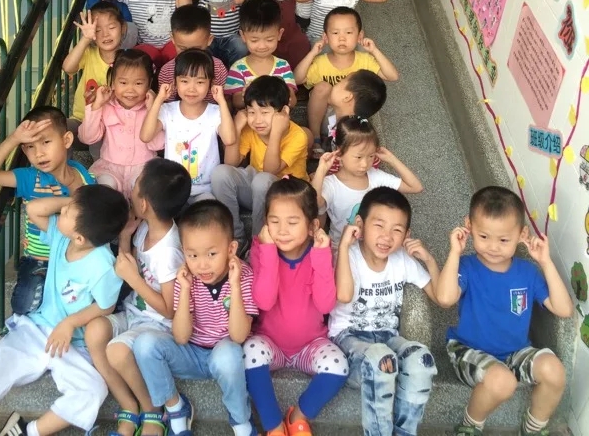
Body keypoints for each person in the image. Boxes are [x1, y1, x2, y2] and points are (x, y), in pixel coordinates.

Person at [0, 185, 129, 436]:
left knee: (93, 390)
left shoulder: (102, 264)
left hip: (74, 344)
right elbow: (34, 209)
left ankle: (29, 431)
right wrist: (75, 202)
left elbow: (106, 306)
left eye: (67, 212)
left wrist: (70, 323)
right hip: (37, 329)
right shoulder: (61, 236)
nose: (62, 211)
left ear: (79, 238)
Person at [436, 186, 573, 436]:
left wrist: (545, 262)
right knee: (503, 381)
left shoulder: (527, 272)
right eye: (484, 236)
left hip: (515, 352)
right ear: (469, 226)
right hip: (468, 350)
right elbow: (444, 299)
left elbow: (563, 310)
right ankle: (469, 427)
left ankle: (532, 429)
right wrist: (454, 252)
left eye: (503, 240)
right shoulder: (466, 266)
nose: (493, 247)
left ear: (522, 234)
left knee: (554, 371)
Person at [132, 201, 259, 436]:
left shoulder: (244, 276)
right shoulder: (187, 278)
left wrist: (234, 286)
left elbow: (238, 335)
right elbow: (181, 337)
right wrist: (185, 289)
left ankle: (241, 422)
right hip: (190, 354)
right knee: (144, 344)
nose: (202, 264)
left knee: (228, 354)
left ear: (231, 249)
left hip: (225, 355)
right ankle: (176, 409)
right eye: (192, 255)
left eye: (212, 254)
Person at [84, 160, 191, 436]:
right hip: (135, 314)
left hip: (157, 326)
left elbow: (169, 309)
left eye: (136, 184)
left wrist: (133, 280)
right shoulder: (144, 228)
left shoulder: (169, 251)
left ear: (143, 204)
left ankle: (153, 410)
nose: (130, 188)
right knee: (94, 331)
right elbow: (129, 264)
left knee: (116, 351)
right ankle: (128, 404)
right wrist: (124, 237)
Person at [330, 187, 441, 436]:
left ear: (406, 235)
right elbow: (344, 295)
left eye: (397, 230)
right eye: (379, 225)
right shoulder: (347, 255)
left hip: (388, 338)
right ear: (360, 225)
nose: (386, 237)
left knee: (421, 360)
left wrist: (429, 260)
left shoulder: (402, 260)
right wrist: (344, 246)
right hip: (349, 342)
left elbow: (440, 297)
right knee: (382, 359)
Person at [244, 178, 349, 436]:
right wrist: (268, 252)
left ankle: (297, 417)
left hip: (310, 345)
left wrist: (321, 256)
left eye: (292, 222)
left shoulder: (321, 253)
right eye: (274, 221)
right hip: (270, 343)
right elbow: (263, 301)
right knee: (248, 352)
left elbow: (326, 303)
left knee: (339, 366)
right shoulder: (261, 250)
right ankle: (273, 426)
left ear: (313, 226)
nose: (282, 230)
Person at [0, 107, 93, 316]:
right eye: (30, 146)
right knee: (24, 305)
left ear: (66, 140)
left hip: (76, 257)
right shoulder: (30, 178)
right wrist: (14, 138)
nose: (39, 153)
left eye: (46, 142)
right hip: (40, 260)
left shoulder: (82, 173)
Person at [211, 76, 309, 247]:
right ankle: (236, 238)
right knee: (220, 173)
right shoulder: (251, 130)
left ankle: (259, 243)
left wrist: (276, 132)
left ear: (284, 112)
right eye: (251, 112)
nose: (257, 120)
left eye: (264, 113)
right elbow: (230, 163)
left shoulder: (298, 135)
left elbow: (270, 170)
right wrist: (237, 128)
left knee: (262, 179)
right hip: (257, 190)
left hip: (287, 197)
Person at [141, 49, 238, 201]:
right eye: (184, 81)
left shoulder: (216, 112)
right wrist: (159, 99)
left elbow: (229, 139)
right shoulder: (167, 110)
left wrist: (221, 101)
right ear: (175, 82)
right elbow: (146, 136)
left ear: (211, 83)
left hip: (206, 189)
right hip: (173, 187)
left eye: (200, 82)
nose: (191, 89)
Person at [312, 116, 423, 248]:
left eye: (371, 156)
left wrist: (391, 159)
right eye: (358, 157)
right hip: (342, 249)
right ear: (339, 153)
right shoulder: (331, 184)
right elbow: (315, 203)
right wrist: (321, 170)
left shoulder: (375, 177)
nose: (365, 164)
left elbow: (415, 187)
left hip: (373, 248)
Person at [294, 7, 398, 147]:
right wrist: (312, 53)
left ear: (360, 36)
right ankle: (316, 138)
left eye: (348, 32)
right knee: (322, 87)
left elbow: (392, 76)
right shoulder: (320, 63)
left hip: (350, 116)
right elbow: (296, 80)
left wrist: (374, 50)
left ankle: (343, 142)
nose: (342, 38)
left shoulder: (364, 60)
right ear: (326, 37)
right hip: (323, 114)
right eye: (335, 33)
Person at [78, 50, 164, 198]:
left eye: (138, 83)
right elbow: (87, 138)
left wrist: (152, 110)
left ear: (149, 83)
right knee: (105, 186)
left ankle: (136, 212)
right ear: (113, 82)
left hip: (143, 166)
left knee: (143, 188)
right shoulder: (106, 106)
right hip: (110, 168)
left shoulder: (153, 108)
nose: (130, 90)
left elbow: (158, 145)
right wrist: (96, 106)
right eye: (123, 83)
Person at [224, 0, 298, 110]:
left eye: (269, 40)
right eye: (254, 40)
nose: (262, 46)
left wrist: (289, 97)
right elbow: (236, 102)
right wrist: (244, 95)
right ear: (243, 36)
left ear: (279, 34)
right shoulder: (238, 68)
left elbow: (292, 101)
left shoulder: (283, 66)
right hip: (250, 119)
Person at [63, 4, 127, 132]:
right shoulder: (89, 53)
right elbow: (68, 68)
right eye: (97, 30)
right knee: (55, 128)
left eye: (111, 27)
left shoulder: (129, 61)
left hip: (111, 125)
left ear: (123, 28)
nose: (105, 34)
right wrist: (85, 39)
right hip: (82, 120)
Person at [158, 5, 228, 101]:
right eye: (183, 49)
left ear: (209, 40)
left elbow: (225, 100)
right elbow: (166, 104)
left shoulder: (218, 68)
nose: (190, 55)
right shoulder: (167, 71)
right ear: (172, 39)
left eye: (196, 49)